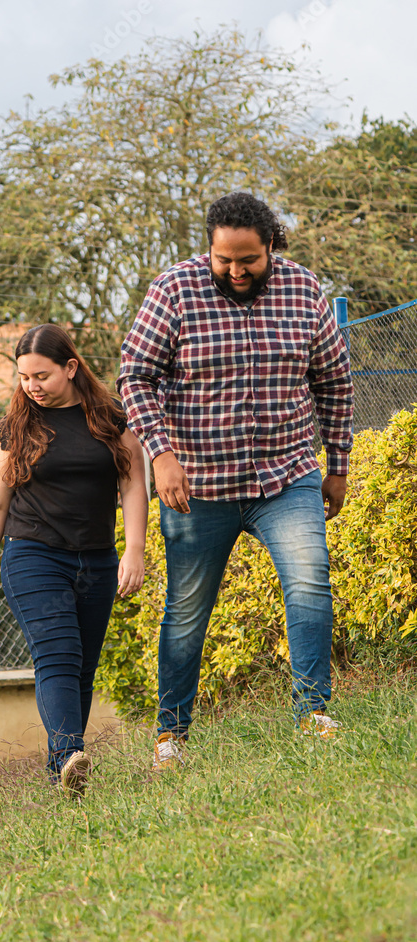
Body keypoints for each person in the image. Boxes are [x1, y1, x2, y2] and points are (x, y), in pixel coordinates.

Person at [117, 192, 354, 769]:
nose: (236, 270)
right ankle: (171, 736)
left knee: (309, 581)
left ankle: (313, 713)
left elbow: (334, 380)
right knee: (188, 610)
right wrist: (162, 453)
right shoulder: (173, 290)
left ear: (271, 245)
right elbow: (136, 375)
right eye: (224, 259)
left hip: (287, 475)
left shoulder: (303, 291)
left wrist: (339, 464)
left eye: (248, 258)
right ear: (210, 248)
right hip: (197, 485)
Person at [0, 323, 148, 796]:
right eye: (24, 377)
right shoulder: (14, 430)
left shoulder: (110, 419)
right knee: (59, 656)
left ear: (70, 368)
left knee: (83, 667)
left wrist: (134, 549)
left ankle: (62, 774)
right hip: (33, 555)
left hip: (97, 559)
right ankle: (71, 753)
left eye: (42, 376)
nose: (32, 387)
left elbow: (133, 485)